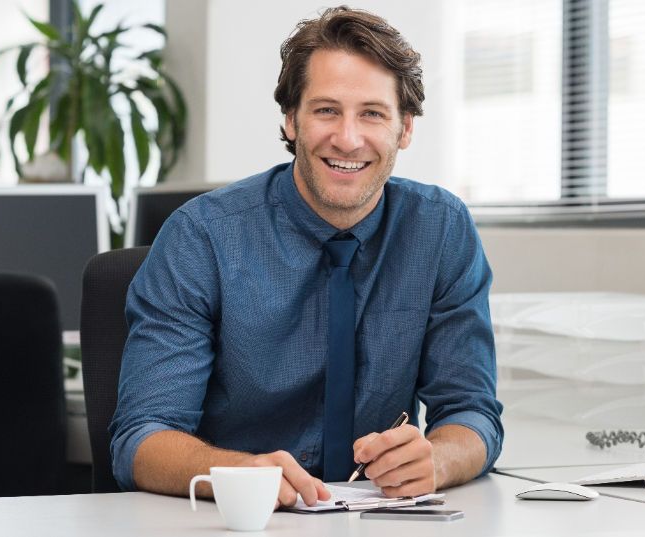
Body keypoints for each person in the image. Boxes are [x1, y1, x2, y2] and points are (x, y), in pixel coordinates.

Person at [108, 6, 503, 507]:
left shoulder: (440, 229)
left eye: (372, 113)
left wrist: (437, 459)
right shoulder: (200, 237)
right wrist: (240, 473)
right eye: (326, 110)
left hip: (376, 518)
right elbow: (140, 438)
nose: (348, 137)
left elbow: (473, 413)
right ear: (291, 120)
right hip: (237, 521)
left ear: (404, 129)